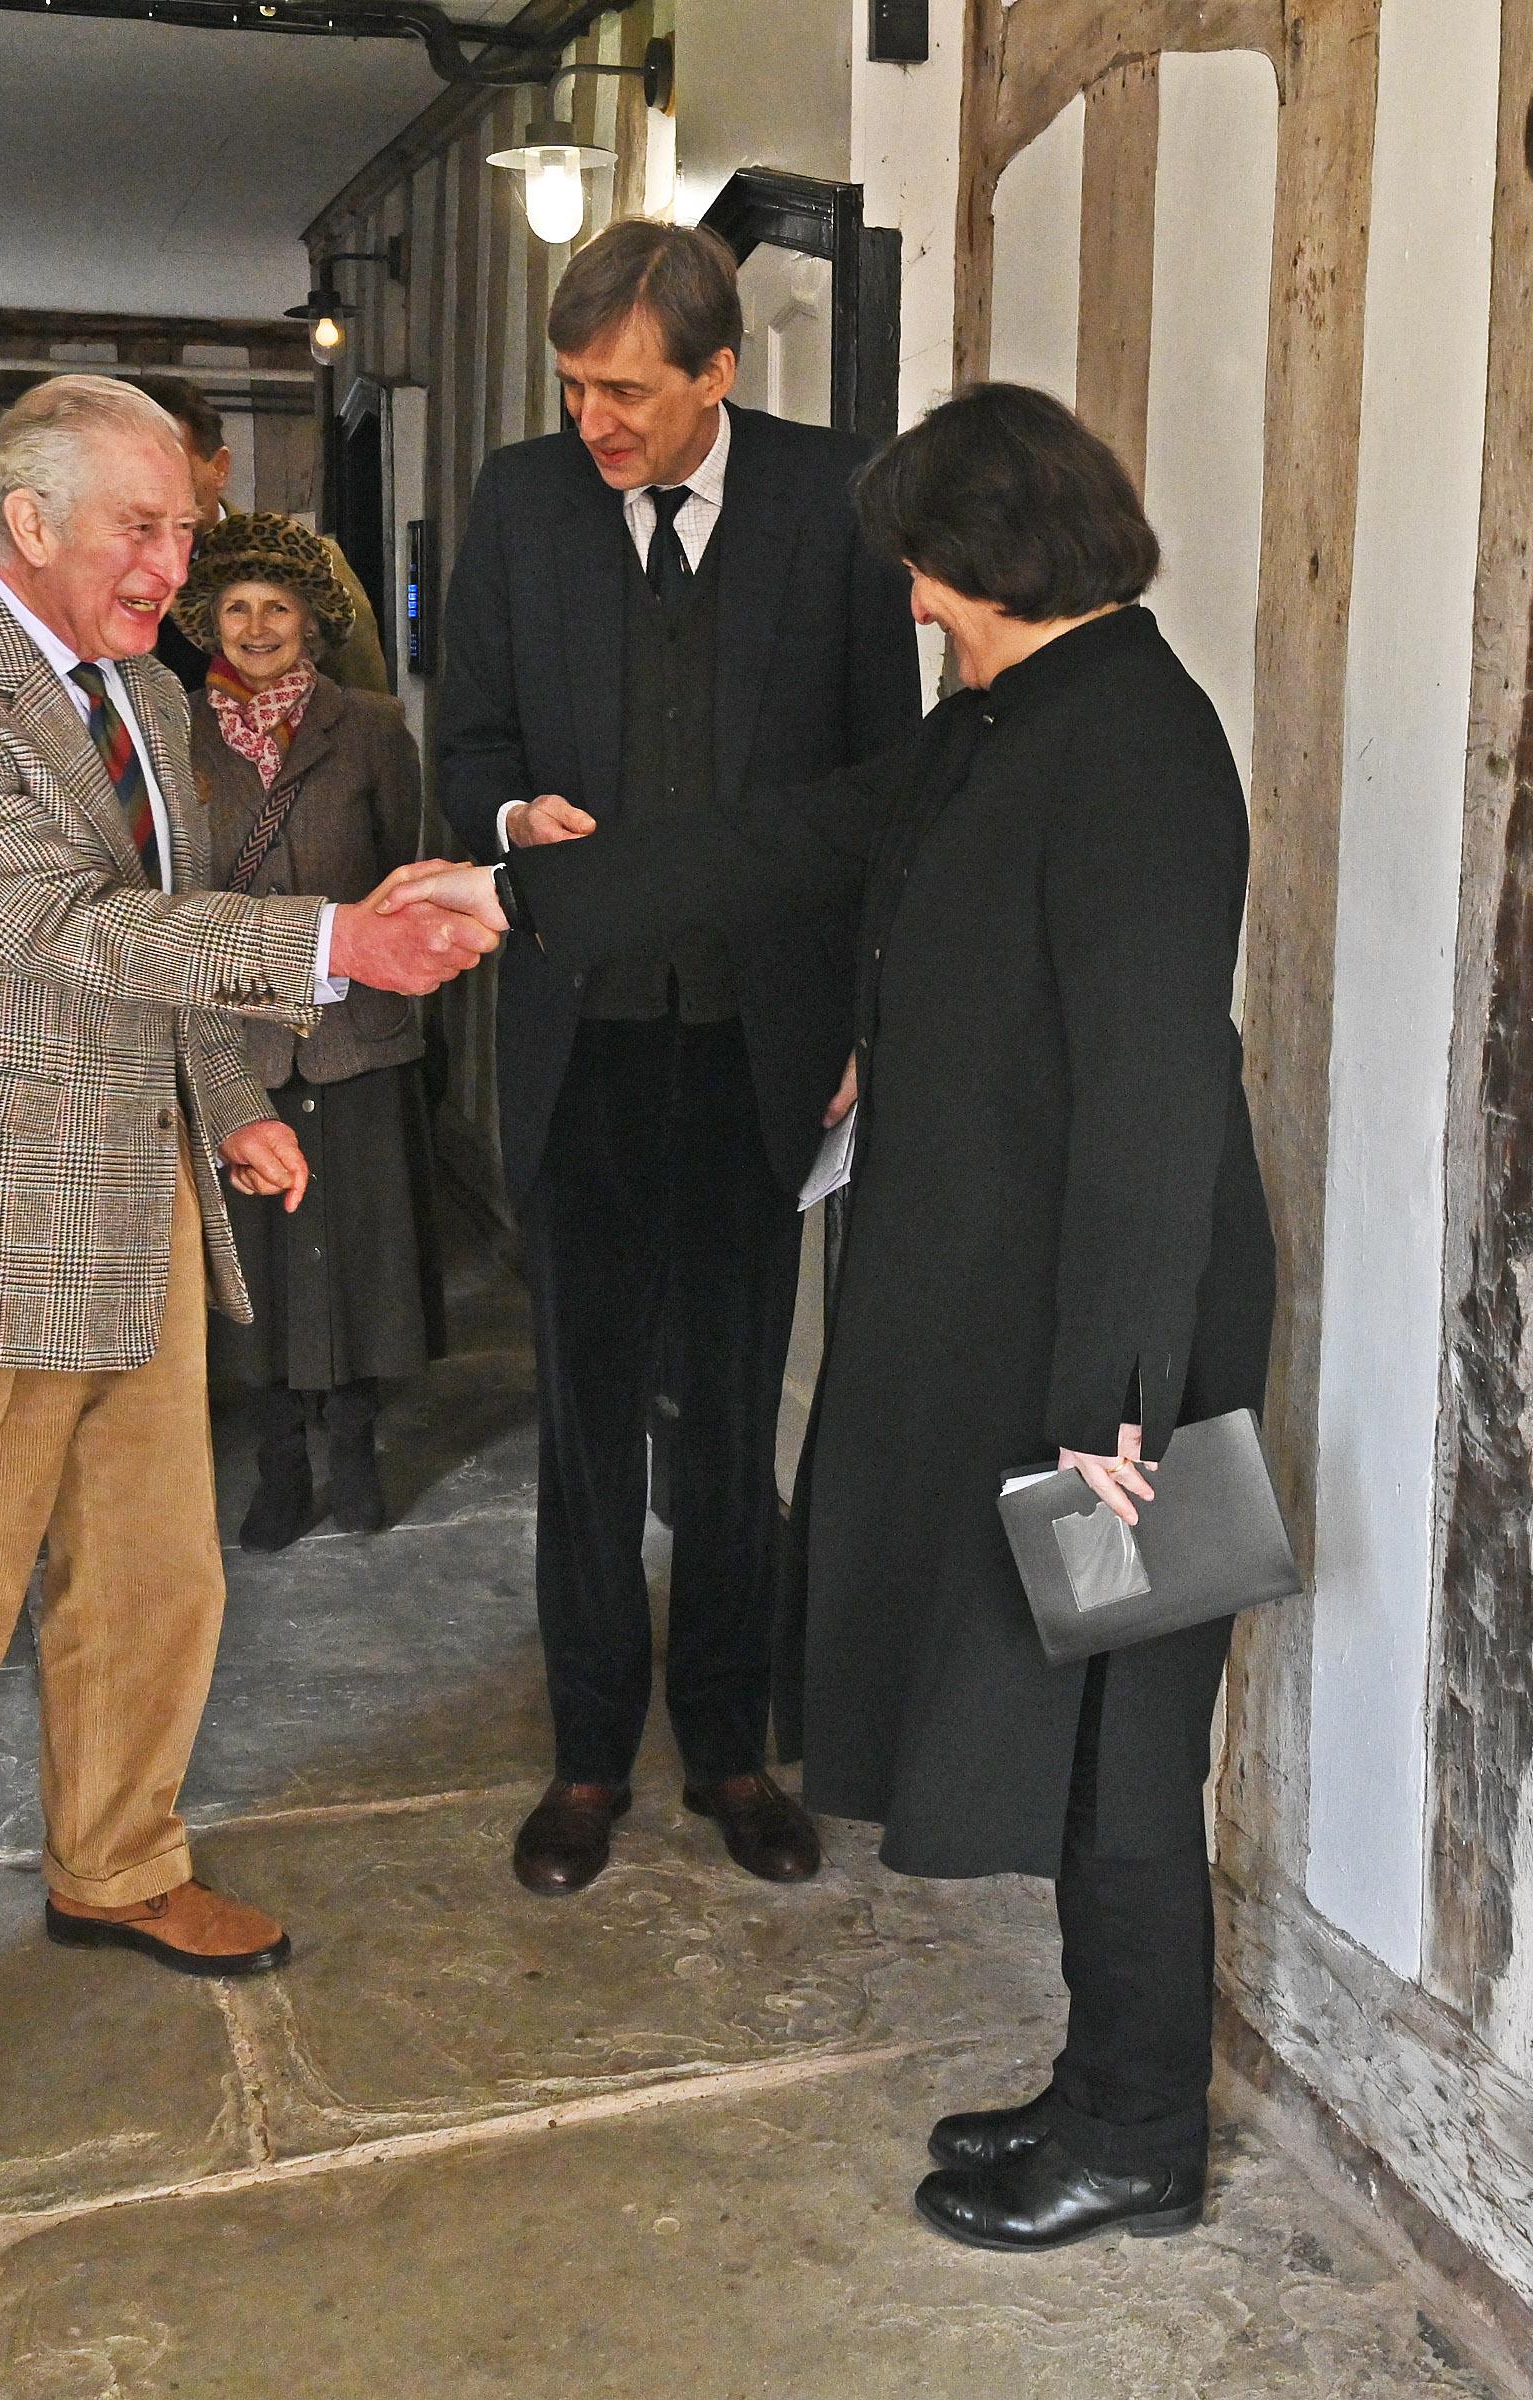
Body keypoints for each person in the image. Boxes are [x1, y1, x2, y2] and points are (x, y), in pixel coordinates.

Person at [390, 381, 1276, 2253]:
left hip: (1130, 1343)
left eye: (924, 571)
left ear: (989, 554)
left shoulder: (1135, 742)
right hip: (1045, 1316)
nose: (912, 605)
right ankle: (1106, 2090)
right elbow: (783, 839)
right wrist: (512, 892)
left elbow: (1154, 1092)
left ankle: (1141, 2134)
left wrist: (1121, 1407)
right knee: (1081, 1727)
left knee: (1131, 1743)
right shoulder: (1015, 719)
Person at [0, 375, 496, 2184]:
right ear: (27, 523)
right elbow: (62, 928)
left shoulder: (153, 694)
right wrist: (337, 940)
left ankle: (117, 1861)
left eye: (186, 528)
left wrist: (235, 1098)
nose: (175, 568)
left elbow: (150, 971)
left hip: (135, 1198)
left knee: (156, 1577)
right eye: (143, 530)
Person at [436, 218, 919, 1897]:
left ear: (722, 371)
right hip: (578, 1033)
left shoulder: (837, 503)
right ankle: (586, 1755)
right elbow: (467, 744)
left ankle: (726, 1747)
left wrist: (867, 1017)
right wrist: (508, 820)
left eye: (627, 390)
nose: (595, 424)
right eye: (574, 388)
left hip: (758, 1047)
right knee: (579, 1411)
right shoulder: (518, 503)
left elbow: (887, 789)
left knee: (726, 1411)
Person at [175, 509, 444, 1550]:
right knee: (259, 1266)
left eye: (275, 609)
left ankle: (358, 1448)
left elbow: (403, 879)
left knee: (363, 1252)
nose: (254, 628)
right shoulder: (173, 729)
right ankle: (281, 1462)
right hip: (238, 1044)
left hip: (354, 1036)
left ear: (313, 623)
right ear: (207, 620)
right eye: (235, 608)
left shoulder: (371, 725)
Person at [128, 373, 392, 698]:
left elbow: (365, 701)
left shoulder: (307, 560)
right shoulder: (114, 574)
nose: (151, 492)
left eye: (171, 471)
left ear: (220, 467)